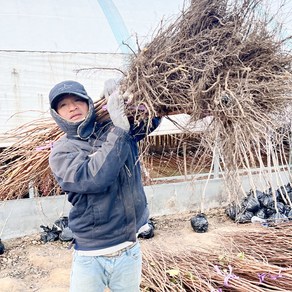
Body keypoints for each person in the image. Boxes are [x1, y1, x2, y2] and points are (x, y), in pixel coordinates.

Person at [48, 80, 160, 292]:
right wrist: (119, 130)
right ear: (57, 114)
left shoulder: (114, 127)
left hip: (129, 249)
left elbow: (150, 120)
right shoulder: (62, 152)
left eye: (77, 100)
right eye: (63, 105)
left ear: (89, 103)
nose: (72, 107)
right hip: (92, 256)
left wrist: (134, 99)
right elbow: (94, 178)